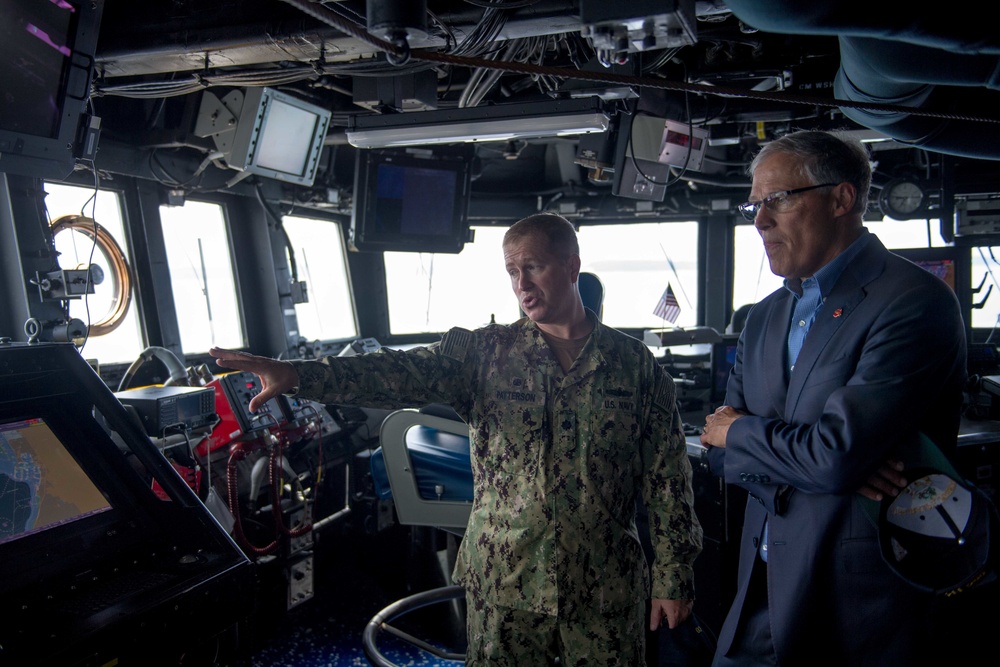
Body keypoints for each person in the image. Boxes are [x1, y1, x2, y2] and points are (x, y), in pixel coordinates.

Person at [210, 213, 703, 665]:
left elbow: (668, 481)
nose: (521, 285)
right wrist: (299, 374)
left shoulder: (636, 367)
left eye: (532, 267)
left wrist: (673, 577)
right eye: (512, 272)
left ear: (572, 266)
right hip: (506, 580)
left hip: (605, 585)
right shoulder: (486, 353)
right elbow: (397, 372)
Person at [699, 130, 967, 666]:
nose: (759, 221)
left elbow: (832, 454)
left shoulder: (913, 301)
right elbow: (718, 453)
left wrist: (749, 433)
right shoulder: (764, 316)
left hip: (858, 603)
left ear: (842, 199)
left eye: (778, 200)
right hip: (762, 586)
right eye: (755, 204)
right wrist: (823, 469)